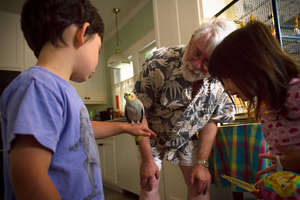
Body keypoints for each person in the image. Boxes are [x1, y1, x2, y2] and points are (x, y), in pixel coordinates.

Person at [0, 0, 155, 200]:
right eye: (99, 50)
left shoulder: (57, 89)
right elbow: (29, 177)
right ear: (83, 32)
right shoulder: (38, 86)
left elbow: (79, 129)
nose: (97, 61)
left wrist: (125, 128)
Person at [134, 18, 237, 200]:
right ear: (191, 39)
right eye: (196, 53)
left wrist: (202, 163)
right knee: (149, 183)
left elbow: (211, 120)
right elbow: (138, 113)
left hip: (187, 137)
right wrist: (147, 160)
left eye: (208, 63)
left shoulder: (223, 78)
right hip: (150, 133)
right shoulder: (158, 61)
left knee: (199, 187)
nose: (198, 65)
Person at [208, 21, 300, 197]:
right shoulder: (267, 105)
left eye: (226, 78)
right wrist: (273, 180)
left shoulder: (295, 92)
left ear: (249, 67)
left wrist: (292, 163)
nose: (226, 88)